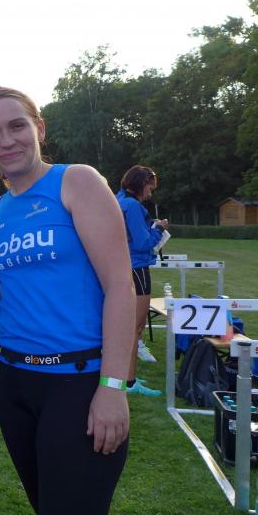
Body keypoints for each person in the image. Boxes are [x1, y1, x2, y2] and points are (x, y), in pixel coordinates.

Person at [0, 86, 133, 515]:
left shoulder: (76, 181)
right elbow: (3, 292)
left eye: (16, 126)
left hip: (75, 383)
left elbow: (120, 286)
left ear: (39, 129)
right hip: (13, 383)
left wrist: (113, 386)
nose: (6, 140)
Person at [116, 165, 168, 396]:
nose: (150, 192)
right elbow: (143, 243)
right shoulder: (133, 206)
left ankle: (125, 375)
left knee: (125, 327)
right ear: (140, 183)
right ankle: (129, 382)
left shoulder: (119, 200)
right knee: (135, 328)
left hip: (122, 268)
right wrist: (159, 229)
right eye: (150, 187)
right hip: (137, 268)